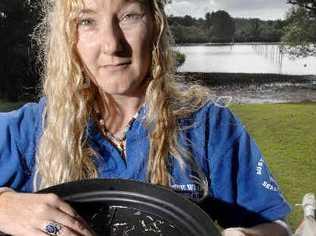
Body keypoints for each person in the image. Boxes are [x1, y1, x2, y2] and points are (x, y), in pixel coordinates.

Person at [0, 0, 291, 235]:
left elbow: (275, 225)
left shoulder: (208, 126)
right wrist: (4, 206)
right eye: (87, 21)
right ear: (68, 38)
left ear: (155, 23)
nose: (112, 44)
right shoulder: (28, 129)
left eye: (129, 16)